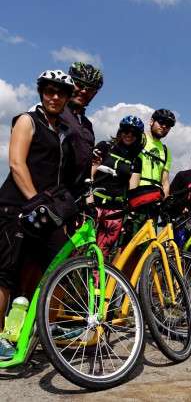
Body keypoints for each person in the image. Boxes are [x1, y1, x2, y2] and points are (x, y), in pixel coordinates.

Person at [0, 70, 75, 359]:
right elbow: (17, 164)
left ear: (67, 98)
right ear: (42, 93)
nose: (54, 97)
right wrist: (34, 201)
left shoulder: (62, 133)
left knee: (54, 265)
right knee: (6, 273)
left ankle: (40, 327)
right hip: (16, 207)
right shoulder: (27, 121)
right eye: (49, 91)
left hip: (45, 211)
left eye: (61, 93)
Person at [92, 116, 144, 257]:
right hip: (94, 204)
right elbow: (90, 172)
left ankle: (95, 280)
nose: (129, 135)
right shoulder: (104, 147)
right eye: (126, 131)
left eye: (134, 133)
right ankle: (66, 278)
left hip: (115, 210)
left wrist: (130, 214)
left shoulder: (136, 160)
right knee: (79, 246)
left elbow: (133, 188)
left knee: (102, 253)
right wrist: (88, 197)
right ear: (120, 131)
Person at [62, 62, 104, 198]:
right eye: (79, 85)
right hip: (46, 194)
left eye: (90, 89)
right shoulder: (54, 112)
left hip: (71, 199)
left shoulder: (87, 125)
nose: (84, 91)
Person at [130, 109, 175, 197]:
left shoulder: (166, 151)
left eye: (168, 125)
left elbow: (165, 182)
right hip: (134, 194)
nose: (164, 126)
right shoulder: (138, 139)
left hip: (154, 199)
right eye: (161, 122)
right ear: (151, 121)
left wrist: (164, 204)